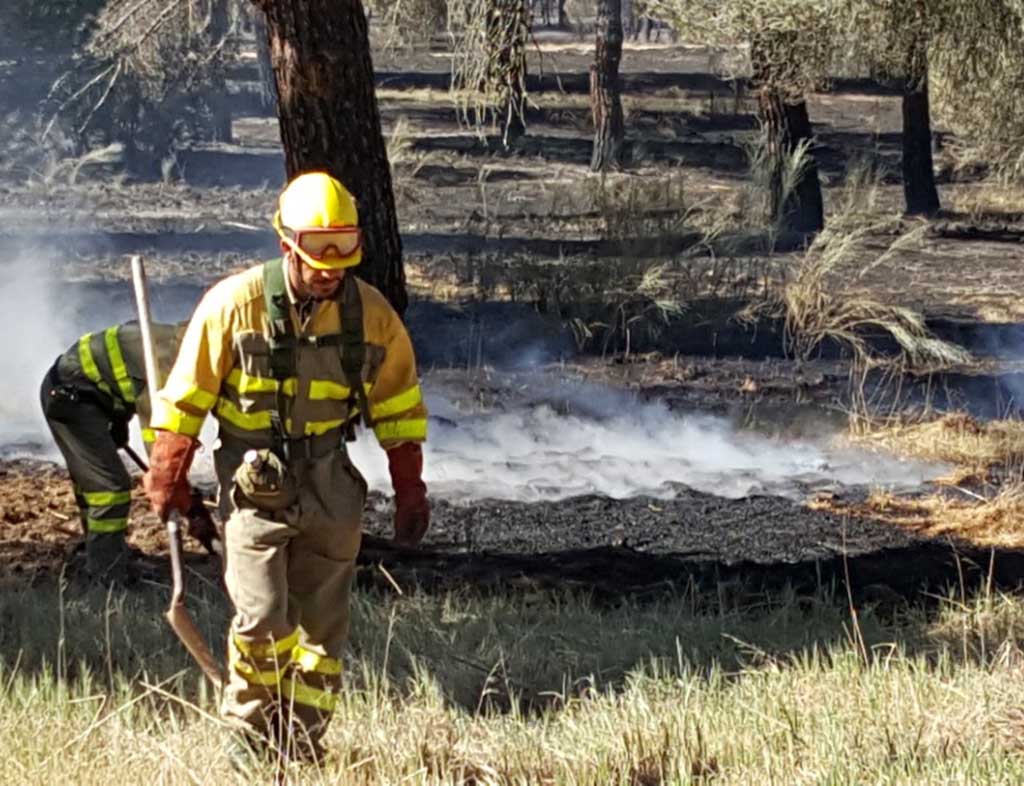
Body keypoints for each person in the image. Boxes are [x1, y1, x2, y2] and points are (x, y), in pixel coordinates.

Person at [143, 171, 430, 765]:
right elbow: (186, 399)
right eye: (316, 257)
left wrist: (410, 491)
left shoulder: (371, 316)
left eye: (341, 257)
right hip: (253, 487)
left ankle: (299, 742)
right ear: (285, 245)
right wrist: (168, 471)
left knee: (321, 633)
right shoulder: (234, 305)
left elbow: (399, 409)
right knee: (262, 617)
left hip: (330, 484)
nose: (329, 271)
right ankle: (250, 739)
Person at [39, 320, 218, 581]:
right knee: (109, 488)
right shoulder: (168, 369)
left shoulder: (178, 343)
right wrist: (180, 496)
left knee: (95, 482)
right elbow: (159, 447)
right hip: (71, 398)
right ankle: (107, 573)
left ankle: (100, 550)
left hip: (94, 398)